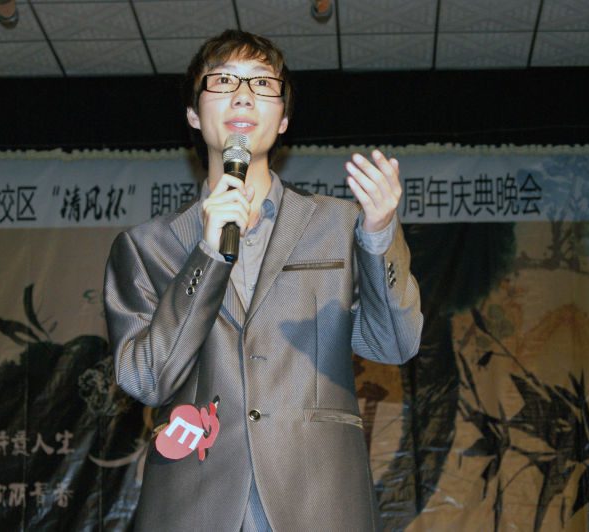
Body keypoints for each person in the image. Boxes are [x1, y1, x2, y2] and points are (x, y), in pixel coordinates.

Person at [104, 29, 423, 531]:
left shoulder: (339, 226)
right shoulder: (146, 247)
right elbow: (146, 378)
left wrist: (380, 235)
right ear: (193, 114)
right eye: (223, 81)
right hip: (195, 506)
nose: (243, 95)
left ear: (284, 119)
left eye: (261, 83)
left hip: (318, 500)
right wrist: (208, 254)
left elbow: (395, 343)